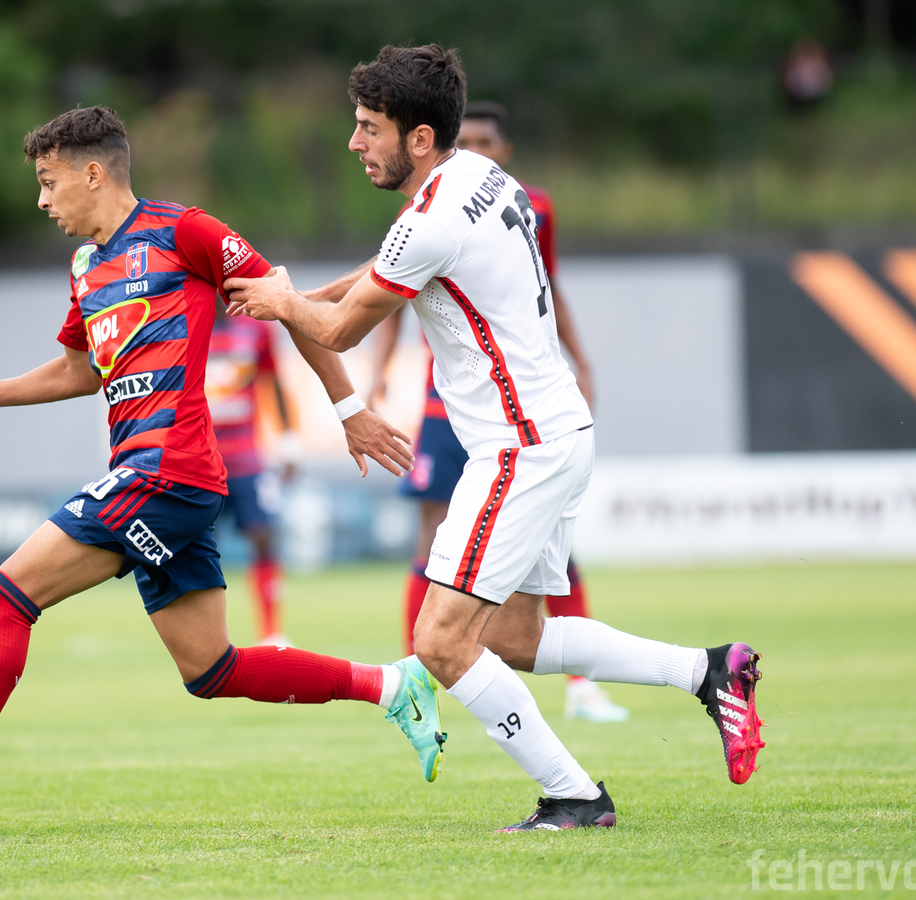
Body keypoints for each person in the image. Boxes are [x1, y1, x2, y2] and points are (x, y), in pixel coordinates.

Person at [0, 106, 444, 843]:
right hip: (161, 479)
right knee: (211, 670)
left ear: (92, 173)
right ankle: (392, 685)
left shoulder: (183, 231)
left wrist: (349, 408)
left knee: (6, 595)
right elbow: (78, 370)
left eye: (48, 181)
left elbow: (285, 303)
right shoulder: (85, 268)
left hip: (167, 471)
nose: (41, 200)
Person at [225, 45, 766, 831]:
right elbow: (380, 271)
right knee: (513, 636)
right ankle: (708, 671)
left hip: (520, 447)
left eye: (369, 127)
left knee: (441, 642)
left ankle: (574, 795)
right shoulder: (477, 176)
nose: (354, 142)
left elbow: (338, 332)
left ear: (418, 138)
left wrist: (282, 301)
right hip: (555, 432)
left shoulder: (430, 220)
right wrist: (296, 294)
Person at [368, 100, 629, 723]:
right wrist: (380, 370)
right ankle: (421, 675)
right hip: (449, 405)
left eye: (486, 142)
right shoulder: (424, 212)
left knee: (542, 557)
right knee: (431, 532)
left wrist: (579, 358)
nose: (475, 152)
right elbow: (382, 292)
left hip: (517, 413)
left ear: (504, 152)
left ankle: (580, 690)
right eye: (467, 141)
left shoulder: (525, 204)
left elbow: (549, 285)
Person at [205, 309, 300, 645]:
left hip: (246, 457)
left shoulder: (256, 329)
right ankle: (207, 635)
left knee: (264, 536)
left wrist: (288, 442)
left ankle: (271, 631)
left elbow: (273, 380)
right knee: (200, 547)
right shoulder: (183, 324)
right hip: (201, 460)